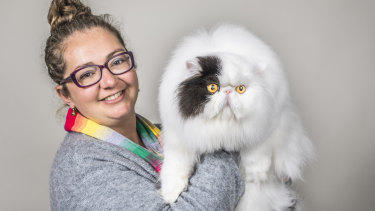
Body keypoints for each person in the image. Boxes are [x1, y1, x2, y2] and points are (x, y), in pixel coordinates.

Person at [45, 0, 244, 210]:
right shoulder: (80, 169)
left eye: (117, 61)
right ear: (65, 94)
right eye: (86, 74)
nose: (110, 81)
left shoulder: (165, 134)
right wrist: (220, 136)